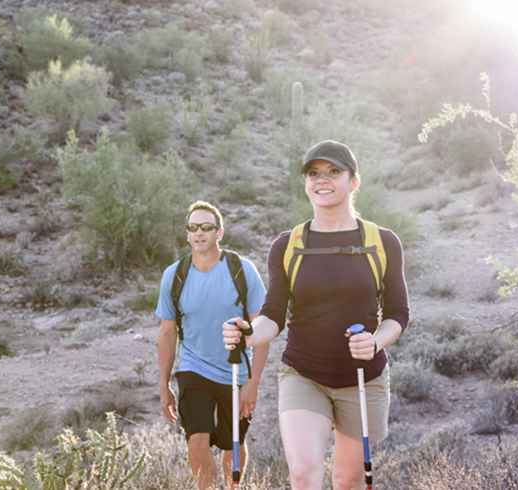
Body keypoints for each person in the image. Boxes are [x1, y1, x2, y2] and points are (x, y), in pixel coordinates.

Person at [223, 140, 410, 490]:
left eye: (333, 172)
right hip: (304, 374)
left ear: (354, 181)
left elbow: (399, 314)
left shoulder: (383, 242)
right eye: (314, 173)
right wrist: (248, 333)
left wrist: (374, 342)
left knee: (347, 480)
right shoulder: (287, 245)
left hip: (363, 377)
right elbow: (273, 315)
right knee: (304, 475)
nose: (322, 180)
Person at [156, 200, 268, 490]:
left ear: (219, 232)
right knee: (197, 439)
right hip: (193, 368)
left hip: (235, 372)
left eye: (206, 227)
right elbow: (167, 333)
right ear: (187, 233)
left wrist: (254, 382)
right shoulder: (174, 275)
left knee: (233, 444)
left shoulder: (242, 270)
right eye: (193, 228)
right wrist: (164, 384)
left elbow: (262, 331)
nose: (199, 233)